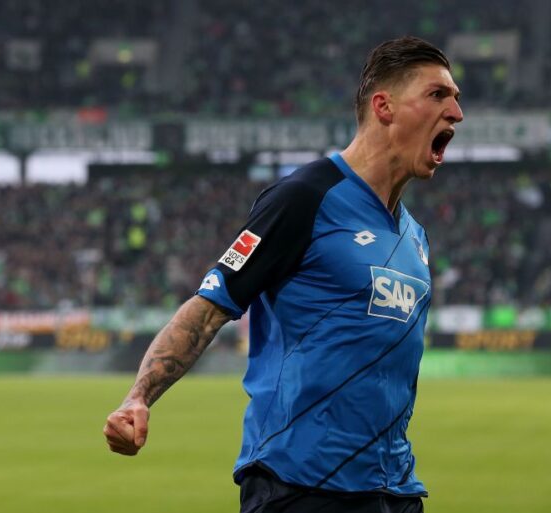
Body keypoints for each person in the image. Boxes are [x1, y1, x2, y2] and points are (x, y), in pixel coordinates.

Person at [104, 35, 463, 513]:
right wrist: (138, 397)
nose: (457, 113)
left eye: (455, 98)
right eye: (438, 95)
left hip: (394, 489)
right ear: (384, 107)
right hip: (301, 486)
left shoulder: (415, 236)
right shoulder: (305, 198)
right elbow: (210, 305)